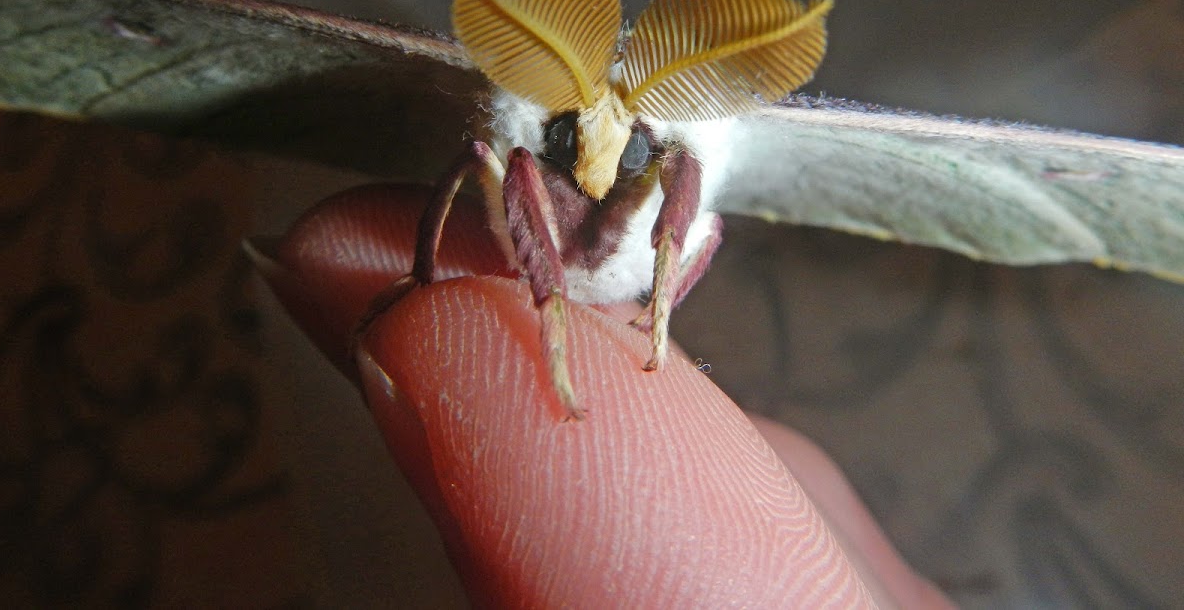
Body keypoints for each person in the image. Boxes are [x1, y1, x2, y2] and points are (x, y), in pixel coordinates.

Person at [258, 184, 953, 608]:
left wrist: (657, 316)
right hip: (536, 260)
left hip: (623, 286)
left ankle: (644, 326)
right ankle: (548, 311)